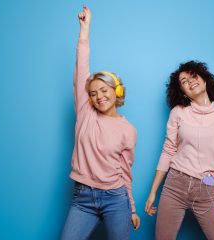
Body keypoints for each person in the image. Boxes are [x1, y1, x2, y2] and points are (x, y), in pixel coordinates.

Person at [61, 6, 140, 240]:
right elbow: (82, 67)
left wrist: (132, 208)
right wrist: (85, 30)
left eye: (104, 90)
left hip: (116, 199)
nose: (98, 97)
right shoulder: (85, 113)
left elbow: (126, 171)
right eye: (93, 93)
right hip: (82, 198)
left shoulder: (128, 130)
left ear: (116, 92)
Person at [145, 60, 214, 239]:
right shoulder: (178, 112)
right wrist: (152, 192)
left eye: (193, 76)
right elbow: (168, 151)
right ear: (183, 93)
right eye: (184, 81)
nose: (190, 82)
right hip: (175, 185)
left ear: (205, 80)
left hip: (205, 189)